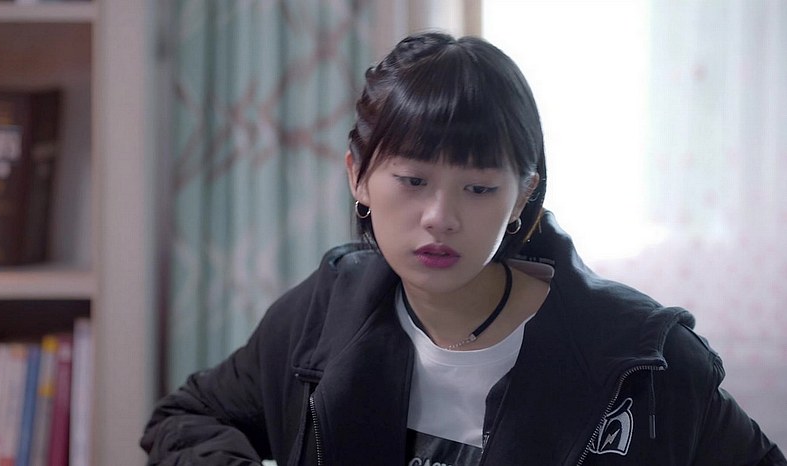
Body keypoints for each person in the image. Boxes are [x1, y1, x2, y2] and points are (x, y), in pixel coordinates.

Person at [140, 32, 785, 465]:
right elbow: (186, 418)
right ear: (358, 177)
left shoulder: (645, 359)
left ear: (523, 195)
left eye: (478, 188)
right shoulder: (323, 312)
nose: (440, 218)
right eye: (412, 181)